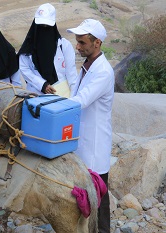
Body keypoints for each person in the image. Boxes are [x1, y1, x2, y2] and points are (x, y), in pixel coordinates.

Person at [66, 19, 114, 233]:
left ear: (97, 43)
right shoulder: (87, 66)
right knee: (84, 194)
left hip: (94, 145)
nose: (78, 47)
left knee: (99, 197)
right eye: (77, 42)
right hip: (82, 140)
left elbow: (81, 99)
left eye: (82, 42)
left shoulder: (103, 71)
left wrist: (55, 104)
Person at [18, 3, 77, 97]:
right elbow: (25, 70)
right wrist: (42, 85)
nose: (44, 30)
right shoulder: (28, 49)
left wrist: (74, 98)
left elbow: (71, 74)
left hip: (62, 95)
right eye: (41, 26)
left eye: (47, 27)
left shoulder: (64, 46)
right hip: (36, 97)